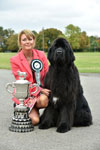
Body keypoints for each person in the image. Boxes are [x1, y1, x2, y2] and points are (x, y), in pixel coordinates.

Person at [10, 29, 51, 125]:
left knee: (44, 100)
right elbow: (22, 83)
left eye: (30, 39)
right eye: (24, 40)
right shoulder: (15, 60)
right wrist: (40, 90)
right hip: (25, 95)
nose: (28, 42)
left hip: (40, 96)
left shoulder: (41, 55)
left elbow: (47, 75)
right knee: (34, 121)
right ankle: (20, 107)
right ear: (20, 42)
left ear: (34, 41)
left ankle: (35, 107)